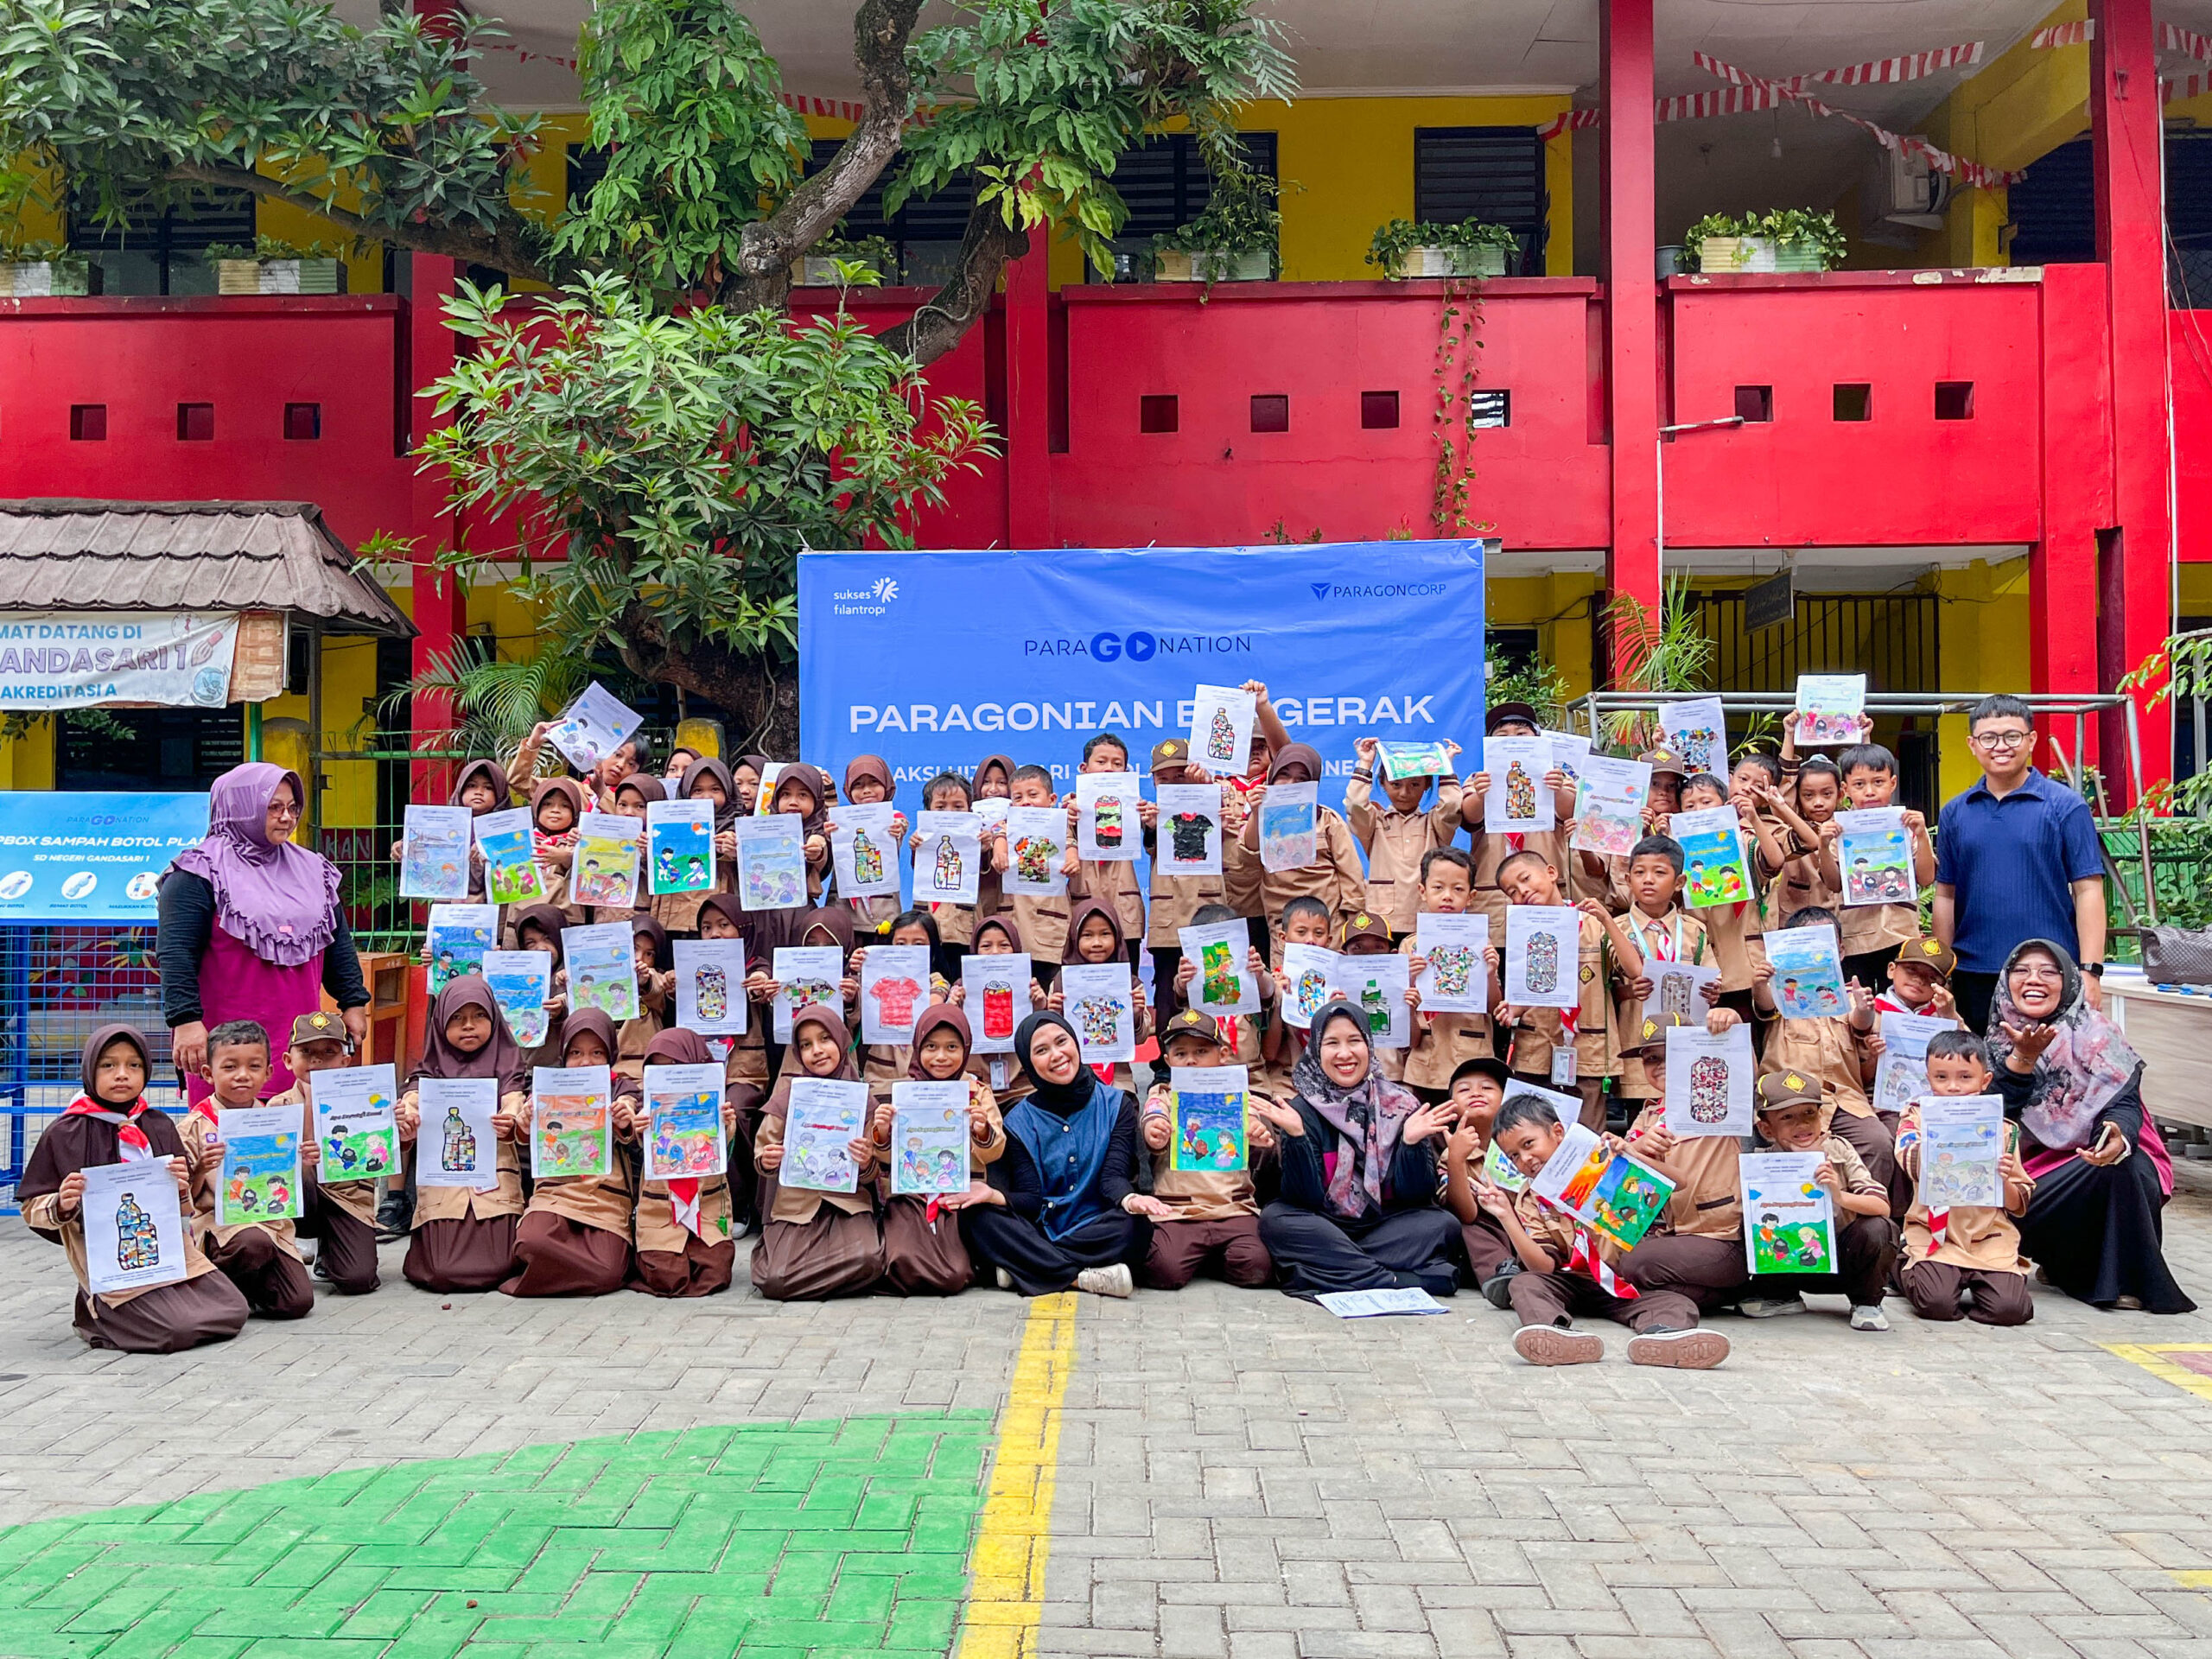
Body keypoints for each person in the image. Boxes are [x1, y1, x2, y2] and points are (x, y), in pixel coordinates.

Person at [1987, 939, 2195, 1313]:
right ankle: (2064, 1262)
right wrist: (2023, 1059)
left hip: (2087, 1162)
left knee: (2126, 1164)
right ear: (2007, 980)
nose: (2033, 980)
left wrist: (2116, 1133)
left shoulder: (2098, 1034)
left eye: (2048, 972)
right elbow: (1991, 1119)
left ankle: (2125, 1280)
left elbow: (2124, 1102)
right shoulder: (1995, 1042)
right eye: (2022, 971)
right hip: (2024, 1178)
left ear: (2068, 981)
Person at [19, 1026, 251, 1352]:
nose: (122, 1074)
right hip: (110, 1257)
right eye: (108, 1065)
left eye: (134, 1065)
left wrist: (180, 1186)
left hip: (165, 1247)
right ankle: (96, 1315)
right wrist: (62, 1203)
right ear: (89, 1070)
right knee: (176, 1330)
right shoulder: (65, 1132)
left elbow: (184, 1208)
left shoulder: (157, 1124)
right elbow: (31, 1207)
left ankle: (143, 1308)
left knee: (233, 1310)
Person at [156, 763, 369, 1103]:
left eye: (293, 808)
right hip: (228, 1047)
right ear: (241, 809)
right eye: (274, 807)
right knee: (226, 1132)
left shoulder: (312, 869)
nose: (287, 817)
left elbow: (336, 942)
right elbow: (175, 953)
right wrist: (185, 1021)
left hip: (300, 1044)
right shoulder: (197, 873)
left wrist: (354, 1002)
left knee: (301, 1129)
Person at [1481, 1090, 1730, 1368]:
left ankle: (1662, 1337)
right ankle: (1554, 1333)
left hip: (1623, 1282)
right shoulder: (1531, 1198)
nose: (1525, 1158)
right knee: (1525, 1284)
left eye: (1529, 1144)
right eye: (1514, 1156)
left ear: (1558, 1132)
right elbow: (1543, 1267)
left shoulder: (1604, 1156)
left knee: (1676, 1303)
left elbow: (1679, 1183)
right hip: (1571, 1284)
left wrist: (1632, 1153)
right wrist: (1506, 1217)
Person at [1255, 1000, 1459, 1298]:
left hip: (1384, 1226)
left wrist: (1411, 1143)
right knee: (1276, 1220)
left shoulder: (1401, 1106)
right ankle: (1396, 1280)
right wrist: (1296, 1136)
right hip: (1324, 1224)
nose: (1344, 1053)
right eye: (1332, 1043)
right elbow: (1304, 1199)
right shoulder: (1301, 1110)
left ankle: (1321, 1271)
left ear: (1369, 1045)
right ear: (1316, 1049)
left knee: (1444, 1225)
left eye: (1354, 1041)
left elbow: (1415, 1197)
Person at [1934, 694, 2108, 1032]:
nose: (2001, 746)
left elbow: (2088, 889)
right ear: (1972, 744)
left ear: (2031, 740)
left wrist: (2090, 970)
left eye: (2012, 736)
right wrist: (1944, 969)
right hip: (1973, 972)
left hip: (2049, 971)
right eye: (1989, 737)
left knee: (2053, 1064)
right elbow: (1945, 895)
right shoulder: (1955, 812)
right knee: (1976, 1062)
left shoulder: (2066, 806)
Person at [959, 1012, 1147, 1298]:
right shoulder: (1018, 1120)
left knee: (1136, 1226)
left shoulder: (1115, 1104)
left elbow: (1112, 1178)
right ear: (1029, 1063)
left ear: (1076, 1043)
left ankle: (1025, 1266)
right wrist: (993, 1195)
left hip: (1097, 1225)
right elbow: (1031, 1200)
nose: (1057, 1055)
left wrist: (1131, 1199)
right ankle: (1079, 1279)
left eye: (1062, 1042)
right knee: (977, 1217)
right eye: (1041, 1050)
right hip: (1040, 1227)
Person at [1122, 1009, 1278, 1290]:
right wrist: (1154, 1133)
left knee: (1257, 1267)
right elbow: (1152, 1119)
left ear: (1223, 1055)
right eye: (1180, 1054)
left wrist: (1256, 1134)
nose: (1191, 1060)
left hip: (1232, 1208)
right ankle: (1195, 1255)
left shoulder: (1238, 1097)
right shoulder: (1162, 1095)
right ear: (1168, 1060)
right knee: (1164, 1271)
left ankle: (1210, 1257)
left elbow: (1255, 1128)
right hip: (1179, 1211)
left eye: (1202, 1051)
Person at [1738, 1071, 1898, 1331]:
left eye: (1809, 1113)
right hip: (1790, 1263)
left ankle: (1866, 1302)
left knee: (1878, 1227)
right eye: (1787, 1117)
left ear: (1821, 1116)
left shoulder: (1839, 1149)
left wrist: (1839, 1195)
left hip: (1842, 1264)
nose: (1802, 1124)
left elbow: (1881, 1206)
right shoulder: (1761, 1162)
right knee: (1752, 1221)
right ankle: (1782, 1296)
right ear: (1767, 1129)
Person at [1896, 1030, 2036, 1325]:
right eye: (1941, 1077)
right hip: (1935, 1233)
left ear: (1985, 1080)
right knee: (1937, 1305)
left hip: (1988, 1236)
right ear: (1929, 1079)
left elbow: (2018, 1202)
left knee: (2010, 1310)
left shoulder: (2004, 1129)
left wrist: (2003, 1178)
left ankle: (1987, 1281)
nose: (1953, 1087)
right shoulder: (1916, 1118)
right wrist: (1941, 1142)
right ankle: (1902, 1266)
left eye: (1965, 1077)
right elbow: (1906, 1158)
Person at [1494, 849, 1642, 1129]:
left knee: (1586, 1137)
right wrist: (1515, 1008)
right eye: (1512, 891)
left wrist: (1608, 920)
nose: (1522, 891)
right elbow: (1528, 990)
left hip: (1586, 1050)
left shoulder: (1593, 925)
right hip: (1535, 1051)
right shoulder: (1520, 932)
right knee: (1532, 1132)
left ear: (1552, 873)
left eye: (1525, 879)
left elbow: (1635, 970)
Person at [399, 976, 529, 1293]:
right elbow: (410, 1105)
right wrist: (407, 1119)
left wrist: (510, 1122)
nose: (468, 1026)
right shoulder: (426, 1075)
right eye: (457, 1018)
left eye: (479, 1016)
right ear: (440, 1022)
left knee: (499, 1265)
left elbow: (515, 1102)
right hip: (445, 1181)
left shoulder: (509, 1068)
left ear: (494, 1018)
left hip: (493, 1178)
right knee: (442, 1269)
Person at [180, 1019, 315, 1320]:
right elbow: (182, 1199)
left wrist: (304, 1162)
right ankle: (213, 1287)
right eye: (230, 1067)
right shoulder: (196, 1126)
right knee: (252, 1242)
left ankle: (244, 1290)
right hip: (219, 1227)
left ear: (268, 1072)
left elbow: (286, 1182)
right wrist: (200, 1169)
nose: (242, 1076)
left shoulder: (275, 1121)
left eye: (254, 1067)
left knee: (296, 1302)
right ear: (208, 1073)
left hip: (272, 1224)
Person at [753, 1007, 887, 1300]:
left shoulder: (863, 1101)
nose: (817, 1050)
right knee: (775, 1280)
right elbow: (762, 1152)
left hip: (847, 1205)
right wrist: (768, 1159)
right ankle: (838, 1280)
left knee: (868, 1259)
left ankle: (808, 1279)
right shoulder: (788, 1098)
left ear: (841, 1040)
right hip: (797, 1206)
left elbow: (874, 1171)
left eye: (825, 1039)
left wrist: (866, 1161)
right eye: (806, 1045)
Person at [870, 1005, 1003, 1295]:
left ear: (966, 1049)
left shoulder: (976, 1092)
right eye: (931, 1047)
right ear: (918, 1048)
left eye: (952, 1047)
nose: (941, 1056)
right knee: (900, 1258)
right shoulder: (904, 1093)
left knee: (954, 1272)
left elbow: (995, 1151)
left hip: (959, 1196)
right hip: (910, 1197)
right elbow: (885, 1157)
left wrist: (981, 1130)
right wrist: (882, 1131)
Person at [503, 1009, 636, 1297]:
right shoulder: (548, 1089)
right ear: (563, 1055)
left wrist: (625, 1117)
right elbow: (526, 1137)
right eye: (576, 1053)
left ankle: (551, 1274)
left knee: (608, 1273)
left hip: (604, 1198)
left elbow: (632, 1118)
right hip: (556, 1194)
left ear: (610, 1054)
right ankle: (575, 1271)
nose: (586, 1062)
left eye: (597, 1053)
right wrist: (525, 1123)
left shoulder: (621, 1088)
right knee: (530, 1242)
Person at [630, 1026, 754, 1297]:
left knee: (714, 1273)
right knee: (668, 1277)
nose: (670, 1074)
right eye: (659, 1068)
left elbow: (724, 1145)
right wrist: (640, 1129)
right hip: (662, 1216)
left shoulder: (714, 1104)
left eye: (676, 1065)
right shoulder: (648, 1110)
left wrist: (725, 1123)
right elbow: (639, 1138)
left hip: (707, 1212)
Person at [270, 1010, 382, 1294]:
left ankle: (331, 1249)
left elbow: (379, 1156)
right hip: (300, 1203)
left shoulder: (365, 1105)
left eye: (329, 1052)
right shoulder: (276, 1108)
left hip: (348, 1199)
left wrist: (398, 1130)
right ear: (288, 1060)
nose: (317, 1060)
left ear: (345, 1061)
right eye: (306, 1052)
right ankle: (290, 1245)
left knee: (357, 1279)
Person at [1226, 742, 1370, 941]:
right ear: (1271, 778)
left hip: (1328, 929)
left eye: (1301, 779)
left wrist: (1353, 928)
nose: (1291, 783)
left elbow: (1352, 877)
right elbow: (1247, 862)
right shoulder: (1258, 818)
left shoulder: (1328, 820)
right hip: (1283, 928)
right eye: (1284, 775)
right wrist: (1257, 814)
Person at [1819, 743, 1935, 989]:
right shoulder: (1839, 830)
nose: (1870, 791)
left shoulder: (1906, 826)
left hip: (1900, 933)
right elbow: (1833, 884)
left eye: (1878, 782)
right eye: (1859, 784)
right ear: (1845, 789)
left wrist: (1922, 835)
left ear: (1893, 783)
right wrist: (1824, 845)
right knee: (1858, 1001)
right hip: (1855, 936)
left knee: (1896, 1000)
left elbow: (1926, 878)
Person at [1396, 849, 1502, 1102]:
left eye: (1458, 889)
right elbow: (1403, 1016)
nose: (1447, 896)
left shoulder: (1481, 942)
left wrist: (1490, 974)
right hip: (1425, 1060)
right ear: (1422, 891)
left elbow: (1493, 1007)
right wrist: (1410, 981)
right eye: (1438, 887)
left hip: (1471, 1058)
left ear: (1471, 896)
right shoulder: (1410, 946)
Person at [1141, 738, 1231, 1019]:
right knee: (1168, 1002)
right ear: (1154, 782)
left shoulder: (1217, 804)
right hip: (1168, 926)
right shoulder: (1152, 813)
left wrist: (1208, 792)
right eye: (1163, 779)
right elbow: (1150, 848)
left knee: (1217, 994)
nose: (1172, 784)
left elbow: (1234, 847)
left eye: (1179, 776)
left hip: (1208, 914)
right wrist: (1152, 827)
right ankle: (1168, 1048)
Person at [1346, 734, 1464, 941]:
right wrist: (1365, 764)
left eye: (1415, 784)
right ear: (1382, 783)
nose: (1404, 792)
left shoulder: (1435, 824)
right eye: (1396, 784)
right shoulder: (1374, 823)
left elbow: (1452, 805)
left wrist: (1445, 766)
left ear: (1427, 785)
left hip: (1424, 919)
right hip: (1383, 921)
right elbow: (1355, 805)